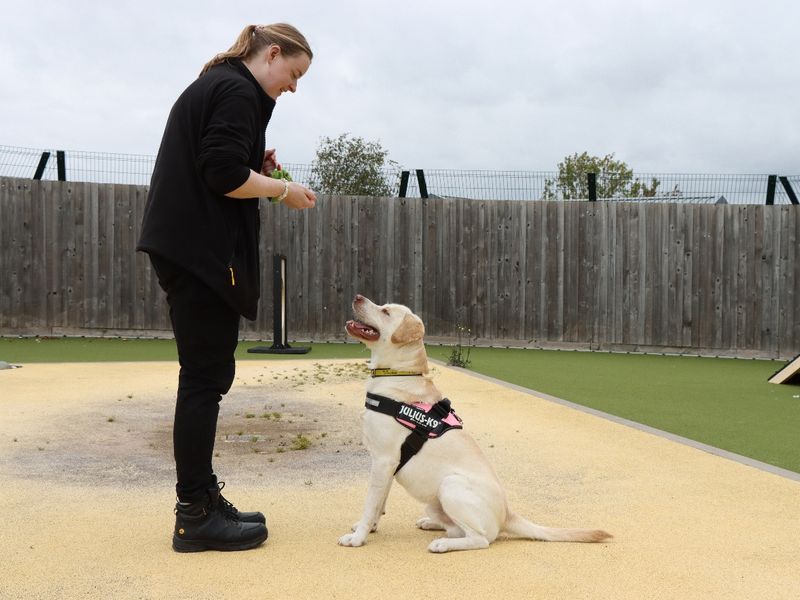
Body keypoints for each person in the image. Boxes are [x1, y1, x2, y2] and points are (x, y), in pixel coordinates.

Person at [137, 23, 316, 553]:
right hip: (198, 253)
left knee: (208, 375)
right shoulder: (239, 89)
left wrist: (252, 167)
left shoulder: (223, 83)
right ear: (273, 54)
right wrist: (282, 189)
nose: (293, 87)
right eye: (294, 73)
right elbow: (219, 172)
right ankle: (194, 513)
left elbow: (220, 162)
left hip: (186, 246)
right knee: (204, 379)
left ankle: (203, 501)